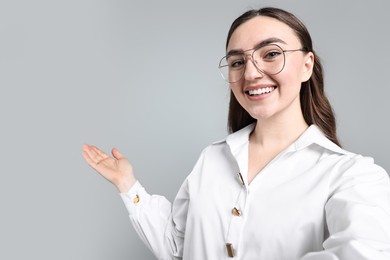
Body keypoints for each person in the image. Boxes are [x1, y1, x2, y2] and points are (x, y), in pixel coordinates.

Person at [82, 7, 390, 260]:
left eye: (271, 54)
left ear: (307, 66)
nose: (252, 73)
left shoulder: (353, 176)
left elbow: (360, 253)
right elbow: (178, 247)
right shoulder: (212, 159)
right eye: (238, 61)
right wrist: (127, 184)